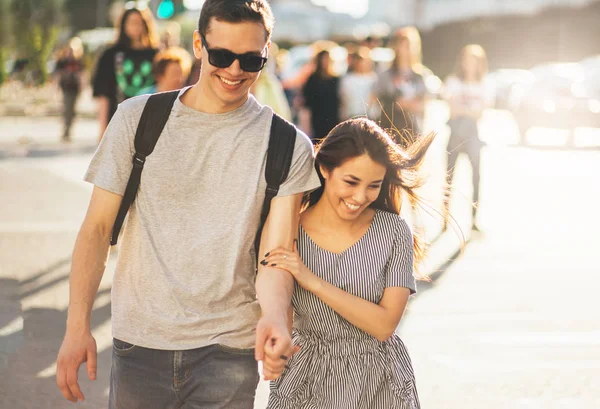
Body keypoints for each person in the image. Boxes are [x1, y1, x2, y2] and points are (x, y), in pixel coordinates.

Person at [55, 1, 320, 408]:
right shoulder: (137, 119)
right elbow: (96, 230)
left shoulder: (288, 144)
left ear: (266, 53)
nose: (235, 70)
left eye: (251, 59)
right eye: (222, 55)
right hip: (139, 344)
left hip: (229, 349)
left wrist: (274, 314)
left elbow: (275, 255)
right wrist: (77, 326)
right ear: (198, 44)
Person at [264, 117, 435, 409]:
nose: (360, 197)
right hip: (307, 377)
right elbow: (276, 310)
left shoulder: (394, 231)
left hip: (379, 382)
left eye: (373, 186)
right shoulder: (288, 229)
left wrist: (312, 280)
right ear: (325, 169)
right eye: (351, 182)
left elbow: (384, 325)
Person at [442, 44, 493, 232]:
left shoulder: (484, 84)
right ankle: (445, 217)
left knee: (476, 178)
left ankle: (473, 219)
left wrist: (462, 110)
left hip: (473, 136)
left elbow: (480, 113)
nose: (470, 64)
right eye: (468, 59)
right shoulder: (453, 81)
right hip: (455, 135)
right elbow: (452, 110)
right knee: (449, 177)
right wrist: (468, 111)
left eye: (475, 60)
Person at [91, 4, 159, 141]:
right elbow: (103, 94)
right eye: (132, 22)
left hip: (148, 124)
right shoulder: (110, 55)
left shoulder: (156, 55)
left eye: (139, 23)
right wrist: (103, 129)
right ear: (123, 25)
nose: (136, 27)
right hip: (118, 122)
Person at [372, 27, 426, 144]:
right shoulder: (386, 75)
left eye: (410, 45)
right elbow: (376, 100)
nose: (407, 49)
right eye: (403, 44)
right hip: (389, 130)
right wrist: (396, 102)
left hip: (412, 130)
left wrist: (407, 104)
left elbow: (423, 105)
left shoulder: (419, 76)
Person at [302, 49, 341, 143]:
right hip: (318, 120)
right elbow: (307, 104)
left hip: (333, 119)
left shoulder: (336, 79)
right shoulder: (312, 80)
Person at [54, 37, 85, 142]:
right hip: (66, 89)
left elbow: (82, 75)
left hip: (74, 89)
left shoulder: (78, 62)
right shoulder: (62, 61)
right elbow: (57, 75)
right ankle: (66, 130)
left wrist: (82, 87)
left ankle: (69, 128)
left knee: (72, 110)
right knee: (66, 108)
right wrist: (56, 87)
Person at [340, 47, 377, 120]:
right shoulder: (347, 79)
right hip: (352, 116)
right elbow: (344, 100)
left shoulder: (374, 78)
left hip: (370, 117)